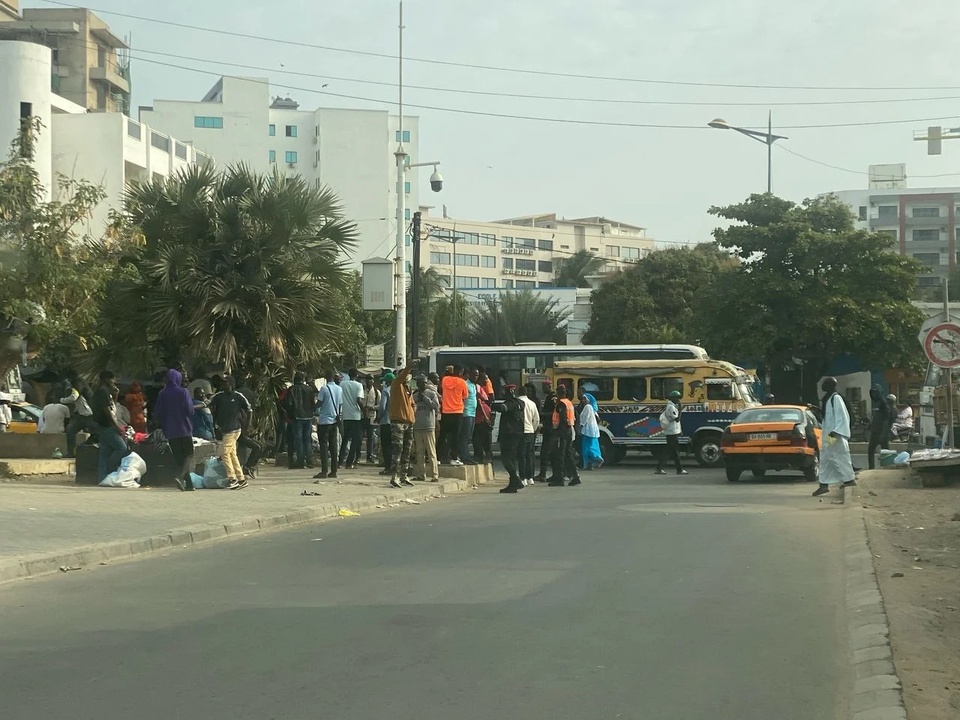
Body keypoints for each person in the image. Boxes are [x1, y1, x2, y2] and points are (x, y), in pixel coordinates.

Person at [154, 368, 197, 492]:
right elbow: (190, 411)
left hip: (170, 431)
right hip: (185, 429)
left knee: (179, 458)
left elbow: (158, 413)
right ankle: (180, 476)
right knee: (189, 455)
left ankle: (188, 484)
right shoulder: (183, 392)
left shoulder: (162, 393)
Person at [812, 377, 855, 496]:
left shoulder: (836, 398)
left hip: (835, 435)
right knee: (826, 458)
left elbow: (843, 416)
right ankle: (823, 484)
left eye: (825, 384)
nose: (822, 386)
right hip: (829, 435)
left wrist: (836, 431)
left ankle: (849, 480)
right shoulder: (828, 399)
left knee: (839, 457)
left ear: (831, 385)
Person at [208, 376, 252, 489]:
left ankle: (232, 479)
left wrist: (247, 426)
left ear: (231, 384)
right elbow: (206, 403)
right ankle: (241, 479)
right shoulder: (219, 396)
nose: (223, 385)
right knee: (232, 454)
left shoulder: (238, 396)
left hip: (234, 429)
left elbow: (249, 410)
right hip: (225, 429)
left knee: (225, 454)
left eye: (226, 383)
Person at [91, 371, 128, 483]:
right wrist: (116, 426)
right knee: (121, 447)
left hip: (104, 425)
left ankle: (102, 478)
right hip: (107, 425)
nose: (113, 382)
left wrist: (116, 395)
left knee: (105, 452)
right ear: (106, 379)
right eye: (112, 379)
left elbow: (112, 407)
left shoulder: (106, 392)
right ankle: (110, 468)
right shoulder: (103, 391)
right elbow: (106, 410)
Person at [388, 361, 417, 488]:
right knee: (397, 450)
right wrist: (409, 367)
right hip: (398, 422)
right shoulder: (396, 385)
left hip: (408, 423)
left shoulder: (408, 390)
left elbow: (412, 405)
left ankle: (404, 476)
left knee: (407, 450)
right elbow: (401, 377)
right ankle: (394, 477)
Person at [312, 371, 342, 479]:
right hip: (334, 421)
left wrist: (313, 404)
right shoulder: (339, 389)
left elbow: (319, 403)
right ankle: (334, 471)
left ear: (326, 378)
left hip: (324, 421)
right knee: (333, 447)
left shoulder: (324, 389)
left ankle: (324, 471)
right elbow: (340, 404)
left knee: (324, 446)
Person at [496, 384, 526, 493]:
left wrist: (489, 404)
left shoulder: (510, 404)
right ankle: (513, 483)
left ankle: (515, 479)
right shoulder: (520, 403)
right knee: (512, 458)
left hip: (509, 435)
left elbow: (502, 408)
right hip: (518, 434)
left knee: (506, 458)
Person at [549, 385, 581, 487]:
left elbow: (562, 419)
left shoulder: (561, 404)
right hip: (570, 430)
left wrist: (557, 432)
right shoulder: (569, 403)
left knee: (560, 456)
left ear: (559, 393)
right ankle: (575, 477)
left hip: (562, 432)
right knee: (569, 454)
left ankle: (559, 479)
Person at [412, 375, 441, 482]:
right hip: (418, 427)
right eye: (419, 383)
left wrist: (424, 398)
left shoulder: (432, 394)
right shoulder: (414, 395)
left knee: (431, 452)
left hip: (429, 426)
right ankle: (421, 474)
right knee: (419, 453)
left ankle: (435, 475)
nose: (420, 385)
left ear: (425, 384)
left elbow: (435, 406)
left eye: (422, 383)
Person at [438, 365, 468, 465]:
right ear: (460, 372)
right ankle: (454, 458)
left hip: (446, 412)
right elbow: (465, 396)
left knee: (442, 436)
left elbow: (441, 389)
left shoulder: (445, 380)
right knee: (455, 436)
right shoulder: (462, 382)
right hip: (458, 412)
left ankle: (438, 458)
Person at [61, 376, 96, 456]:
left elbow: (73, 398)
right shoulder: (83, 390)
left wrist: (61, 400)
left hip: (90, 416)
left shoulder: (76, 389)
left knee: (96, 434)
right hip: (82, 416)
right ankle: (71, 453)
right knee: (70, 431)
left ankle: (72, 452)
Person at [656, 390, 687, 476]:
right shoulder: (671, 407)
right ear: (673, 399)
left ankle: (660, 468)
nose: (678, 400)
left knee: (671, 452)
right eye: (677, 398)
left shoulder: (672, 406)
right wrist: (680, 409)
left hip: (673, 432)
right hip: (671, 432)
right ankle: (679, 470)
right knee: (674, 452)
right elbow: (677, 419)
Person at [338, 368, 365, 469]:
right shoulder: (359, 385)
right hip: (355, 416)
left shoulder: (342, 384)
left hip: (345, 415)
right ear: (357, 375)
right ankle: (349, 463)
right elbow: (359, 400)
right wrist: (364, 411)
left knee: (344, 440)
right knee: (355, 440)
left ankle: (340, 461)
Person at [518, 385, 540, 485]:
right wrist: (533, 428)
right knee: (529, 455)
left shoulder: (517, 403)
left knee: (521, 455)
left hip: (520, 432)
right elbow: (536, 419)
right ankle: (530, 477)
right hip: (530, 431)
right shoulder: (532, 403)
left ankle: (523, 478)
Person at [867, 385, 894, 470]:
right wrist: (871, 424)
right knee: (870, 450)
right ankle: (871, 467)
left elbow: (886, 419)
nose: (874, 394)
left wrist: (883, 433)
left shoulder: (883, 403)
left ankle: (887, 468)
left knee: (886, 452)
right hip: (875, 432)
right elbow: (876, 417)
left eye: (876, 392)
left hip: (882, 432)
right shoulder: (875, 403)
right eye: (873, 393)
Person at [459, 368, 480, 465]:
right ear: (469, 374)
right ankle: (464, 457)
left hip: (473, 413)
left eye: (477, 375)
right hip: (466, 413)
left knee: (469, 437)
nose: (476, 377)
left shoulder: (474, 385)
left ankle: (466, 455)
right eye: (474, 375)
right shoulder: (465, 384)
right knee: (464, 436)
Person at [579, 392, 604, 471]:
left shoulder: (587, 407)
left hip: (588, 430)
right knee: (593, 445)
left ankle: (597, 458)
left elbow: (584, 418)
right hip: (593, 430)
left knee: (587, 448)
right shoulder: (592, 408)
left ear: (588, 400)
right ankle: (589, 465)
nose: (583, 400)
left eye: (584, 399)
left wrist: (580, 427)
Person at [473, 372, 494, 463]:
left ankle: (487, 458)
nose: (487, 381)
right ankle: (480, 458)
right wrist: (485, 417)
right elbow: (479, 402)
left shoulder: (481, 388)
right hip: (481, 418)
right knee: (480, 439)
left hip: (485, 417)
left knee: (486, 440)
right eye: (485, 379)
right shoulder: (477, 387)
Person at [538, 383, 556, 483]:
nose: (543, 389)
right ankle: (544, 473)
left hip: (551, 428)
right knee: (547, 452)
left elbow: (554, 412)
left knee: (545, 452)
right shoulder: (549, 397)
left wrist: (542, 414)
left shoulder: (553, 398)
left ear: (549, 387)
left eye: (544, 387)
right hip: (548, 427)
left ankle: (543, 474)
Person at [377, 373, 394, 475]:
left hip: (386, 421)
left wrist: (378, 417)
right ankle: (394, 466)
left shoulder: (386, 390)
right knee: (394, 446)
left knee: (386, 445)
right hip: (396, 421)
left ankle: (388, 467)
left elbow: (382, 407)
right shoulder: (398, 390)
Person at [362, 376, 381, 463]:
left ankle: (369, 456)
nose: (369, 381)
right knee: (359, 437)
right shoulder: (362, 390)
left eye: (371, 379)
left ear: (373, 381)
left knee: (370, 438)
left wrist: (372, 408)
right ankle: (357, 456)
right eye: (367, 379)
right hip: (362, 416)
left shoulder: (377, 392)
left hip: (371, 417)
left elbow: (380, 405)